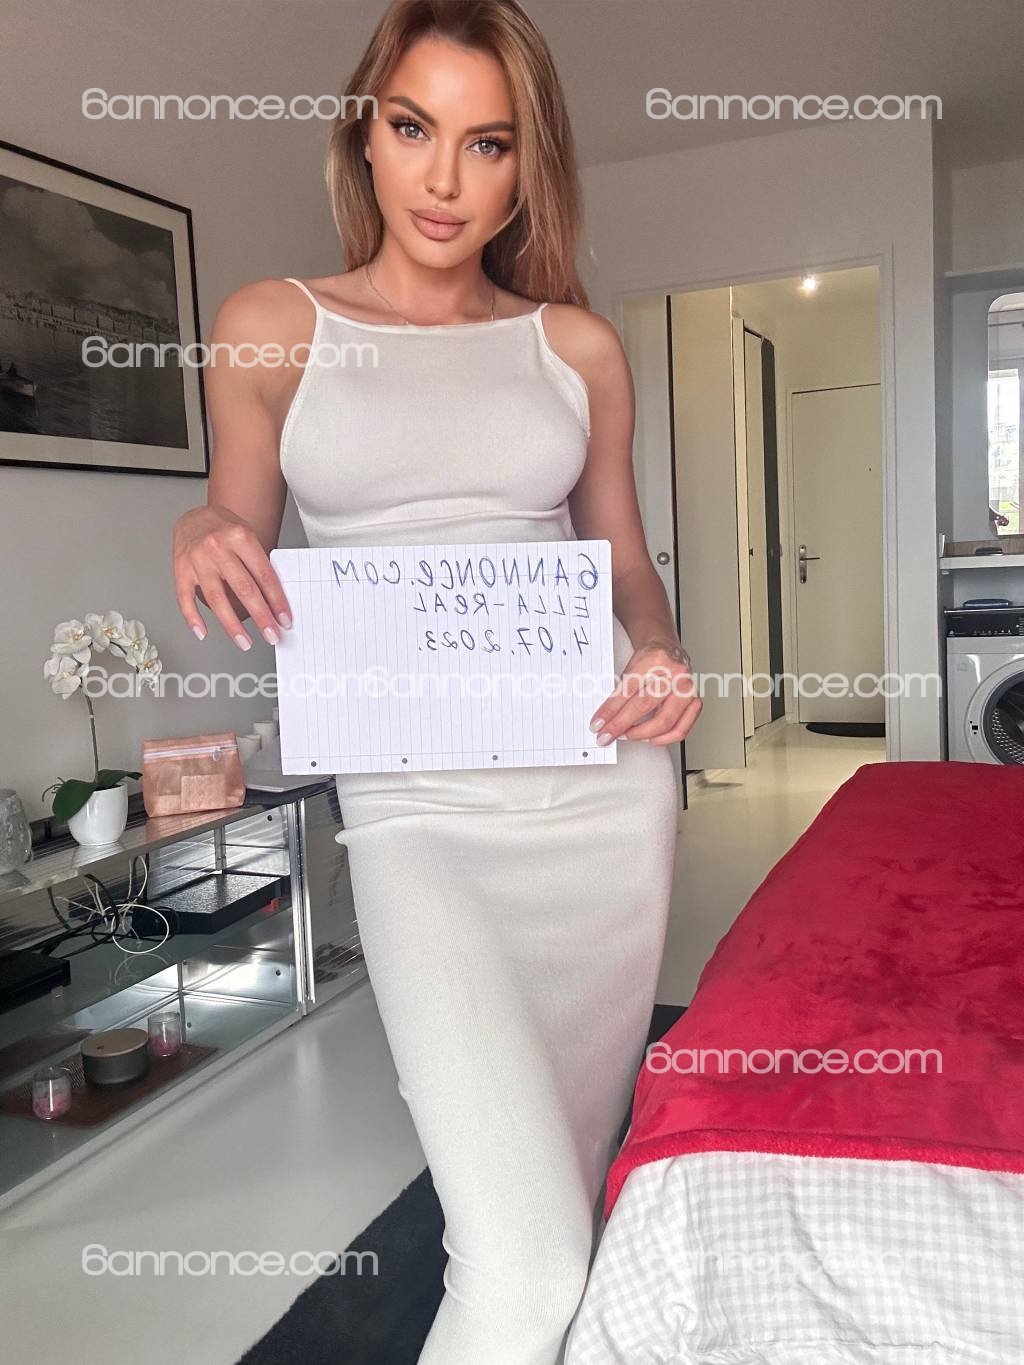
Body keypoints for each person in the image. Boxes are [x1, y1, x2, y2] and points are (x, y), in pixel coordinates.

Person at [171, 2, 701, 1360]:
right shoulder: (271, 326)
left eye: (488, 143)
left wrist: (659, 649)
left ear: (529, 167)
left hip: (598, 787)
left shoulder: (575, 347)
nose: (445, 178)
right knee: (522, 1260)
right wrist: (202, 525)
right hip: (413, 805)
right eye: (414, 127)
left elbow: (625, 564)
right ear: (366, 132)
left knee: (575, 1174)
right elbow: (238, 515)